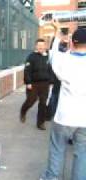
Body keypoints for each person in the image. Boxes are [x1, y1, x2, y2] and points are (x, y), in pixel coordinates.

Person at [39, 21, 86, 180]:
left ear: (72, 43)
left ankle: (51, 178)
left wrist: (58, 32)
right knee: (82, 154)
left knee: (57, 149)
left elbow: (54, 53)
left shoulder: (64, 61)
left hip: (64, 117)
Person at [20, 38, 53, 130]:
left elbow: (50, 69)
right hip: (33, 84)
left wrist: (51, 81)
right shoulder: (31, 57)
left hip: (45, 84)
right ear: (36, 46)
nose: (41, 47)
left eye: (42, 46)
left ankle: (40, 123)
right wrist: (28, 82)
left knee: (43, 104)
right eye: (39, 46)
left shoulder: (47, 56)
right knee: (30, 101)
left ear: (45, 46)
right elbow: (27, 70)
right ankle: (23, 111)